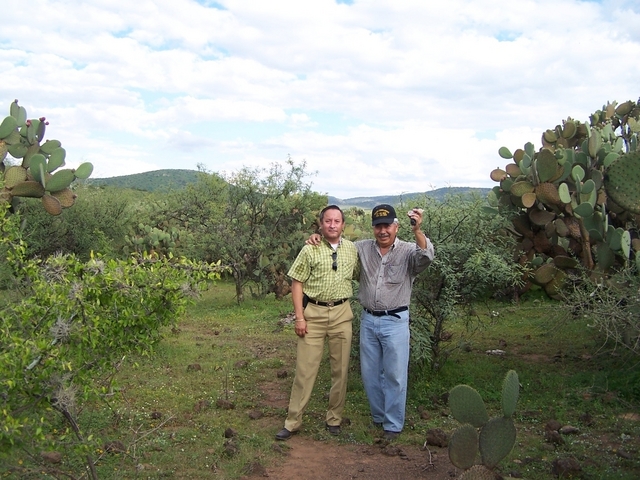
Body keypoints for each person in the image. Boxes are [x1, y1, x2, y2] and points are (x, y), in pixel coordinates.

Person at [307, 204, 434, 440]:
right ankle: (379, 417)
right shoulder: (362, 248)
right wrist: (317, 237)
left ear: (396, 226)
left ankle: (393, 425)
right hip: (368, 320)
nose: (383, 231)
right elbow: (337, 246)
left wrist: (418, 231)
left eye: (387, 226)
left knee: (395, 375)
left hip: (395, 321)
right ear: (373, 228)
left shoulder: (408, 251)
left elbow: (426, 257)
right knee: (370, 374)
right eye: (378, 226)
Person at [275, 205, 359, 441]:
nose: (332, 225)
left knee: (340, 370)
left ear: (343, 225)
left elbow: (362, 273)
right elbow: (297, 282)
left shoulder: (352, 249)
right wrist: (299, 317)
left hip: (342, 313)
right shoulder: (309, 249)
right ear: (321, 225)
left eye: (337, 221)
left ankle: (334, 418)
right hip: (313, 313)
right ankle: (293, 421)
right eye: (328, 221)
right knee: (305, 370)